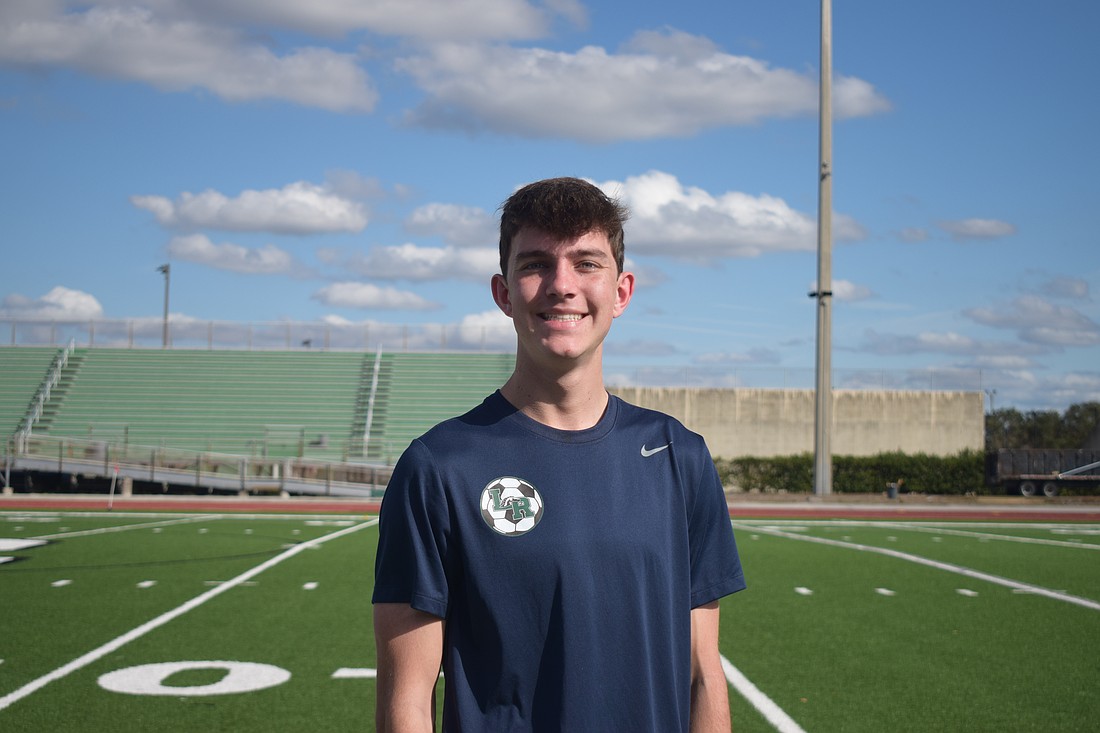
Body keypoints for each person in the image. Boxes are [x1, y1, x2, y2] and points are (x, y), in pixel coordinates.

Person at [372, 177, 745, 732]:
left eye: (586, 264)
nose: (562, 286)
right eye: (536, 265)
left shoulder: (679, 455)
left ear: (621, 292)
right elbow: (407, 697)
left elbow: (702, 675)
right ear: (504, 293)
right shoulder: (438, 467)